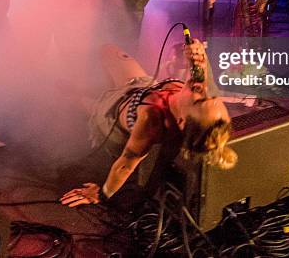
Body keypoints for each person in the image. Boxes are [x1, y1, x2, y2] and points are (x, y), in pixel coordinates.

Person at [60, 39, 237, 207]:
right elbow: (200, 73)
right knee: (108, 50)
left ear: (181, 121)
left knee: (78, 99)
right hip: (138, 87)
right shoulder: (197, 93)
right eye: (210, 97)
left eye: (199, 101)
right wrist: (198, 54)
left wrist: (102, 194)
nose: (202, 90)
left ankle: (64, 92)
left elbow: (126, 165)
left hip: (111, 115)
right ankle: (102, 85)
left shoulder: (151, 122)